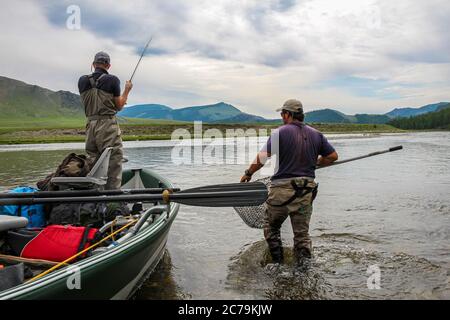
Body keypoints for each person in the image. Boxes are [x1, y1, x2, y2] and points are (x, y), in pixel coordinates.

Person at [240, 99, 338, 267]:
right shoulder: (316, 134)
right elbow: (332, 157)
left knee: (271, 227)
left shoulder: (280, 133)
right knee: (302, 235)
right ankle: (304, 270)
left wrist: (249, 173)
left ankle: (277, 264)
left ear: (288, 114)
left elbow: (263, 158)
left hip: (282, 192)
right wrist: (316, 163)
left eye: (282, 114)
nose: (281, 117)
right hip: (306, 191)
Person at [78, 52, 133, 189]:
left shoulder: (82, 81)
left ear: (93, 64)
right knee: (113, 162)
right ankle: (113, 202)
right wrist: (127, 90)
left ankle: (94, 200)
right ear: (108, 65)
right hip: (107, 126)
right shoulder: (112, 80)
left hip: (90, 126)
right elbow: (119, 105)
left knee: (93, 163)